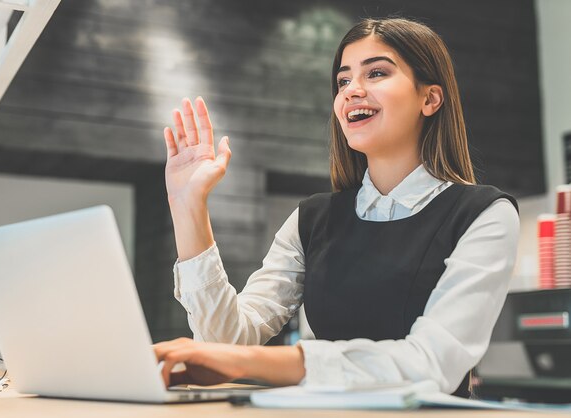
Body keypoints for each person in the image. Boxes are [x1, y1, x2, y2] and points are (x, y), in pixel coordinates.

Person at [154, 17, 520, 397]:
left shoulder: (484, 215)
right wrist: (187, 206)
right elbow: (224, 343)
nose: (352, 91)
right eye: (343, 81)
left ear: (429, 98)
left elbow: (431, 364)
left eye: (376, 73)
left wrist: (254, 363)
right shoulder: (312, 220)